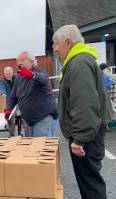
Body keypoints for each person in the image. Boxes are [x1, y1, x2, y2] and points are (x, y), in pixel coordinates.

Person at [53, 24, 112, 199]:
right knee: (90, 183)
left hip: (86, 138)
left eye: (56, 44)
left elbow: (84, 105)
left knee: (91, 186)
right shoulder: (79, 61)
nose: (55, 49)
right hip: (88, 135)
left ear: (68, 43)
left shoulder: (78, 63)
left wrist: (79, 140)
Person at [4, 51, 58, 137]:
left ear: (32, 62)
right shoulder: (19, 78)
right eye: (18, 61)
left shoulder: (39, 71)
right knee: (33, 149)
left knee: (43, 149)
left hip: (43, 119)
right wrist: (8, 109)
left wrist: (32, 75)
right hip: (28, 122)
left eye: (22, 60)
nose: (19, 63)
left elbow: (44, 79)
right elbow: (13, 97)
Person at [0, 66, 18, 136]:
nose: (8, 75)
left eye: (9, 74)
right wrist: (3, 94)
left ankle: (27, 134)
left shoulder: (17, 78)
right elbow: (2, 88)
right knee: (10, 118)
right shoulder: (2, 80)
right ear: (4, 74)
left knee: (25, 118)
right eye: (6, 74)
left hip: (19, 100)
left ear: (12, 73)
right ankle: (12, 135)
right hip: (10, 102)